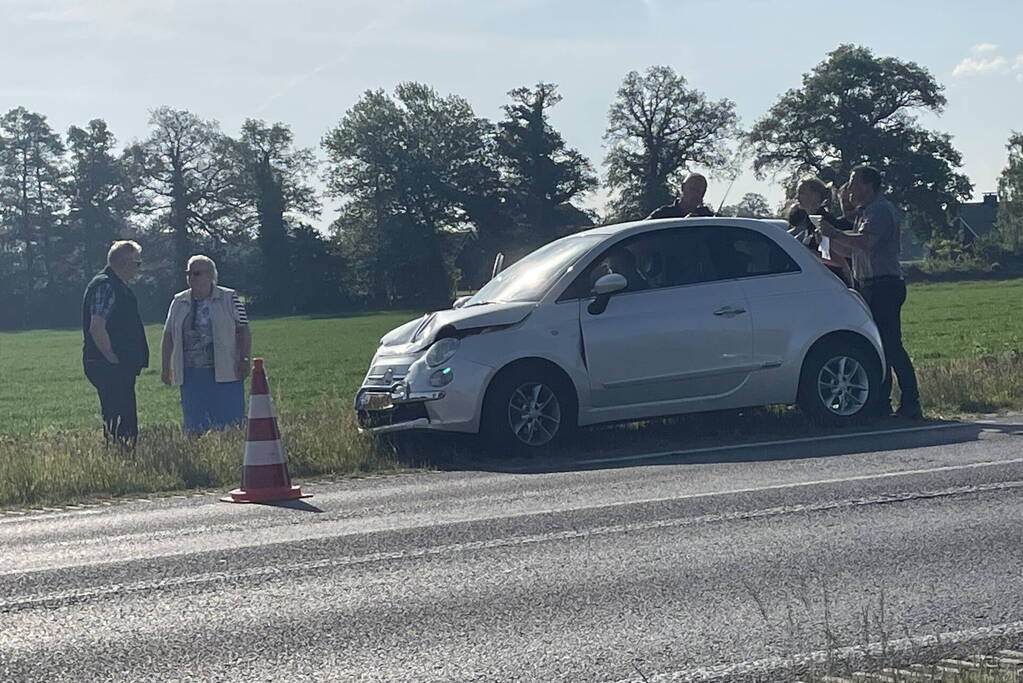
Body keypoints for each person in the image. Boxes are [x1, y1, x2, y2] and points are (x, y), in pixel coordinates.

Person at [818, 165, 922, 419]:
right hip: (869, 284)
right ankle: (881, 403)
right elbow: (852, 251)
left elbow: (866, 242)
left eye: (853, 183)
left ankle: (911, 402)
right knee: (878, 346)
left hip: (884, 284)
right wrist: (824, 243)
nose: (849, 188)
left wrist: (834, 232)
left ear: (868, 185)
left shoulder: (880, 210)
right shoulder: (864, 213)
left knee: (891, 345)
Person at [161, 255, 252, 434]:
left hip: (226, 371)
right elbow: (168, 335)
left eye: (196, 273)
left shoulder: (230, 297)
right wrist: (166, 367)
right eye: (188, 273)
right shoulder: (178, 301)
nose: (191, 277)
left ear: (210, 275)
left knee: (230, 423)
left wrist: (244, 359)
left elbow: (243, 331)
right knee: (195, 424)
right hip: (191, 373)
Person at [82, 240, 149, 447]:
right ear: (125, 263)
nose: (138, 269)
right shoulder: (107, 286)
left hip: (115, 364)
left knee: (121, 411)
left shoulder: (114, 285)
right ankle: (121, 456)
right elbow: (97, 326)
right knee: (119, 414)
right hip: (110, 364)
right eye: (137, 263)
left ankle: (121, 455)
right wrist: (112, 358)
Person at [788, 176, 853, 286]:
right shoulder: (811, 222)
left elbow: (833, 258)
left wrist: (805, 253)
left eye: (801, 193)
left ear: (815, 196)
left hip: (835, 283)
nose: (797, 197)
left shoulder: (824, 222)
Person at [648, 173, 715, 219]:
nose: (695, 194)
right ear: (683, 187)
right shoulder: (663, 214)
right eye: (692, 189)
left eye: (699, 191)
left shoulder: (708, 217)